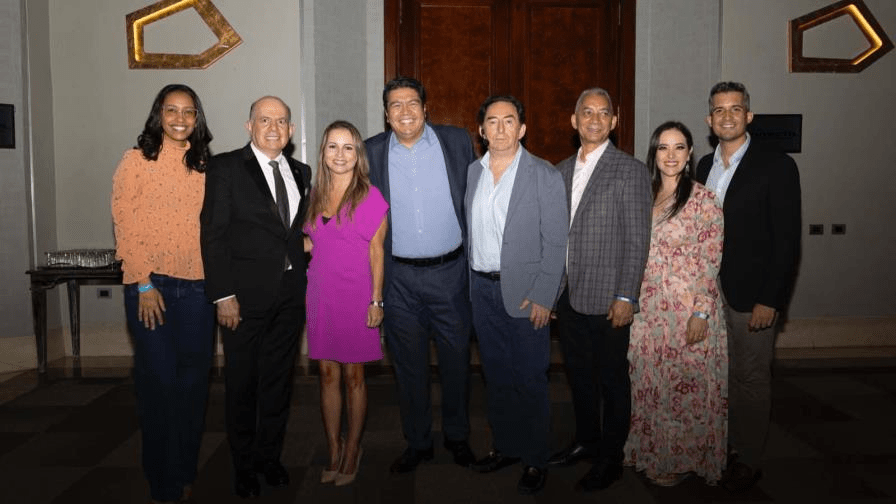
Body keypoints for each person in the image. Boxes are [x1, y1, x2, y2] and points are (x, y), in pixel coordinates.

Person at [200, 96, 312, 498]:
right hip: (242, 299)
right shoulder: (226, 168)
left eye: (281, 121)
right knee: (242, 384)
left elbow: (293, 232)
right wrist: (223, 295)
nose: (273, 128)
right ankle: (244, 466)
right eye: (265, 120)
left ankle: (270, 458)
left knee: (279, 383)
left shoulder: (301, 171)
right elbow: (212, 235)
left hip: (290, 296)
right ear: (250, 126)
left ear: (291, 130)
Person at [365, 76, 477, 473]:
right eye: (396, 105)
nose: (405, 111)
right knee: (408, 366)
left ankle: (458, 436)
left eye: (412, 102)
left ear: (426, 108)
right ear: (386, 114)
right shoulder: (371, 151)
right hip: (399, 279)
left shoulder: (456, 141)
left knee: (456, 362)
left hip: (450, 273)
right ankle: (418, 441)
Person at [111, 83, 215, 504]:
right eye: (171, 110)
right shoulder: (136, 160)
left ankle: (185, 469)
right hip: (151, 287)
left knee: (193, 386)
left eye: (188, 111)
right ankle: (163, 481)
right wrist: (143, 282)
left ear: (197, 118)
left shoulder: (206, 165)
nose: (179, 119)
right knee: (158, 385)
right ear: (158, 114)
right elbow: (124, 222)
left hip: (199, 290)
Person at [696, 81, 801, 492]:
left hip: (751, 293)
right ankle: (722, 446)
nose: (727, 116)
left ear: (749, 116)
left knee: (751, 377)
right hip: (709, 292)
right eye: (719, 110)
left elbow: (787, 240)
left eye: (735, 109)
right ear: (709, 119)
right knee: (719, 374)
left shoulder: (776, 165)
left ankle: (749, 458)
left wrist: (770, 299)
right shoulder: (703, 166)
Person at [464, 96, 567, 494]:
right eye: (493, 121)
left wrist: (545, 295)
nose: (501, 128)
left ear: (522, 129)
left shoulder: (543, 174)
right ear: (482, 130)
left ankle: (536, 458)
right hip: (482, 291)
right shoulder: (473, 172)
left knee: (530, 379)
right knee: (497, 377)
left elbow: (556, 242)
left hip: (527, 294)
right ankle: (506, 447)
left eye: (509, 121)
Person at [551, 87, 652, 492]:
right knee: (578, 377)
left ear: (614, 121)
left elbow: (637, 239)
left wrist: (627, 295)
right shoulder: (559, 170)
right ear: (574, 121)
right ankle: (586, 441)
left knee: (612, 381)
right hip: (569, 297)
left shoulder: (630, 170)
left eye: (603, 112)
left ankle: (611, 459)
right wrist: (553, 292)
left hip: (610, 298)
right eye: (586, 112)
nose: (594, 119)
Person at [623, 121, 727, 486]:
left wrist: (700, 312)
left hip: (686, 312)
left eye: (679, 147)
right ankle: (651, 452)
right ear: (653, 153)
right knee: (650, 385)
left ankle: (680, 461)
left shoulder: (704, 200)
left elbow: (710, 261)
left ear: (689, 154)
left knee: (685, 392)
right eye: (663, 148)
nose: (671, 155)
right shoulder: (642, 195)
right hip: (648, 312)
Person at [304, 121, 388, 486]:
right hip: (320, 294)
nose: (340, 154)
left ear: (358, 155)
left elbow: (377, 252)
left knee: (354, 376)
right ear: (323, 152)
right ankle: (333, 448)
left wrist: (376, 300)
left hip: (356, 295)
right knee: (326, 374)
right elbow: (312, 242)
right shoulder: (314, 194)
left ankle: (353, 448)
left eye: (348, 147)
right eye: (333, 146)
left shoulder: (370, 196)